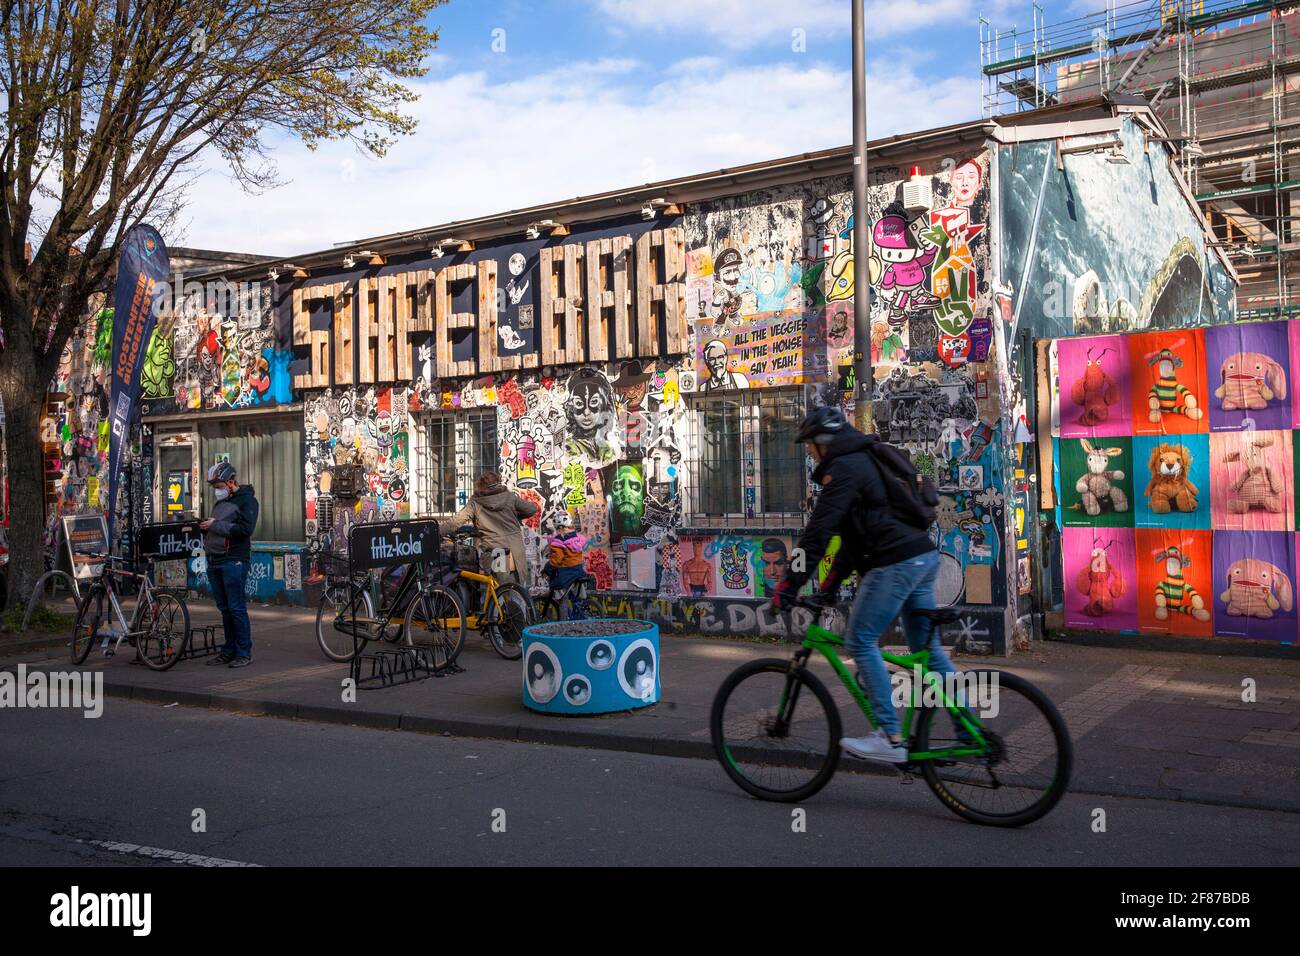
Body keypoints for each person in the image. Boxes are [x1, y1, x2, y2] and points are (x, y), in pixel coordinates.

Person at [771, 405, 960, 764]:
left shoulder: (844, 469)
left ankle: (890, 736)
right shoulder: (862, 460)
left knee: (860, 640)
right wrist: (826, 587)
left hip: (895, 564)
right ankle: (970, 732)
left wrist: (789, 585)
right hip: (922, 557)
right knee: (929, 653)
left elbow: (818, 535)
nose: (809, 451)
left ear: (824, 441)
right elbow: (851, 541)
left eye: (810, 444)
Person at [200, 461, 260, 668]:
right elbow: (222, 527)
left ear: (231, 482)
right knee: (225, 609)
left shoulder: (247, 502)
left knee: (236, 608)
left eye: (218, 486)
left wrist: (215, 525)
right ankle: (229, 650)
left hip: (233, 560)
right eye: (214, 487)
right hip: (215, 559)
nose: (216, 491)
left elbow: (245, 530)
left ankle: (244, 652)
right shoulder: (222, 503)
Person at [444, 471, 538, 584]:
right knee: (518, 592)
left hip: (496, 552)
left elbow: (456, 522)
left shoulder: (476, 502)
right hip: (516, 551)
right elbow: (531, 509)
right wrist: (516, 516)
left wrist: (435, 530)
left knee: (498, 592)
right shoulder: (509, 497)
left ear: (480, 485)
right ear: (498, 482)